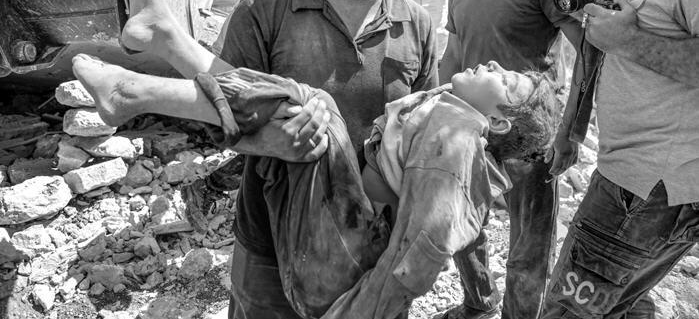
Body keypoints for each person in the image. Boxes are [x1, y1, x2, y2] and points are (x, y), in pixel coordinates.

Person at [118, 0, 439, 319]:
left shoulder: (417, 24)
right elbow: (217, 114)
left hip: (375, 247)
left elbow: (424, 135)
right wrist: (274, 142)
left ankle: (163, 43)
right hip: (270, 249)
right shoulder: (265, 10)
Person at [70, 52, 560, 319]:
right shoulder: (453, 119)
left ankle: (136, 90)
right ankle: (150, 74)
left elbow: (417, 254)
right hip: (332, 243)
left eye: (507, 82)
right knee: (310, 107)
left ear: (497, 122)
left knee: (309, 110)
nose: (495, 66)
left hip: (338, 268)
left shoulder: (457, 144)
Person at [542, 0, 699, 317]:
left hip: (642, 191)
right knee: (623, 306)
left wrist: (627, 40)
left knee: (566, 312)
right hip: (642, 187)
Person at [432, 0, 583, 319]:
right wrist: (432, 110)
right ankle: (478, 304)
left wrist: (572, 130)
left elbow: (590, 51)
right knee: (464, 228)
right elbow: (454, 51)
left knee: (528, 248)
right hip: (471, 132)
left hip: (529, 138)